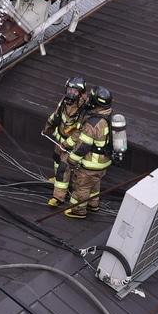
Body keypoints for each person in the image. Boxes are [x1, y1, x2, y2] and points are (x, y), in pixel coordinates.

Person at [65, 85, 113, 219]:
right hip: (103, 162)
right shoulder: (109, 116)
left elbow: (83, 147)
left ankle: (78, 211)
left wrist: (72, 159)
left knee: (82, 187)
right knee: (94, 184)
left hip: (91, 163)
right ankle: (93, 205)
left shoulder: (92, 123)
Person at [45, 76, 89, 207]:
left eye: (74, 91)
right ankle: (58, 180)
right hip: (61, 139)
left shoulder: (84, 110)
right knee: (57, 159)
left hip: (70, 144)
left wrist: (68, 143)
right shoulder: (65, 101)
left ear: (81, 93)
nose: (71, 93)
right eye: (69, 89)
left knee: (63, 169)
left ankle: (58, 197)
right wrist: (48, 125)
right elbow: (57, 114)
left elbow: (81, 131)